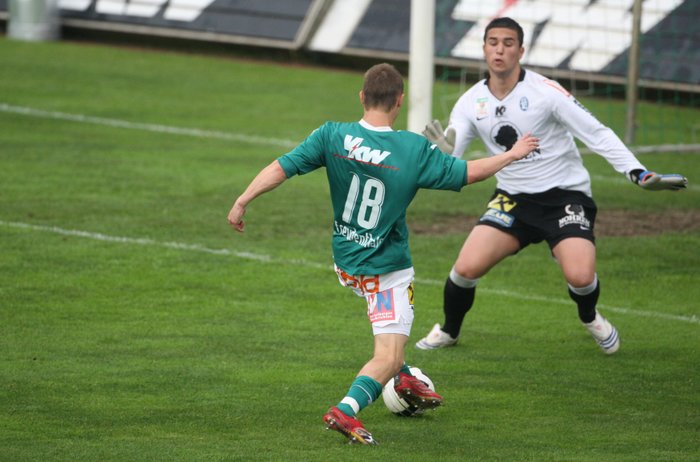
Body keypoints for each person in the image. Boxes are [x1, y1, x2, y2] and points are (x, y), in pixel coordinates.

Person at [228, 63, 539, 445]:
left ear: (362, 97)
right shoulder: (412, 149)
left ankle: (405, 378)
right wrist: (513, 154)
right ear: (399, 101)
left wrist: (243, 200)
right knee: (387, 354)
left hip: (346, 261)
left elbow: (283, 167)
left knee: (392, 331)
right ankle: (346, 409)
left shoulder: (332, 135)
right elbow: (469, 173)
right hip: (384, 269)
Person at [417, 17, 687, 355]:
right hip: (512, 198)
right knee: (465, 268)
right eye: (493, 42)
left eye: (508, 43)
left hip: (564, 197)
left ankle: (589, 317)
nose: (499, 50)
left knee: (580, 276)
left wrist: (638, 172)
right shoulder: (470, 102)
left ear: (521, 51)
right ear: (484, 48)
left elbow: (597, 133)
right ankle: (449, 330)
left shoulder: (546, 92)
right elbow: (452, 154)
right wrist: (442, 154)